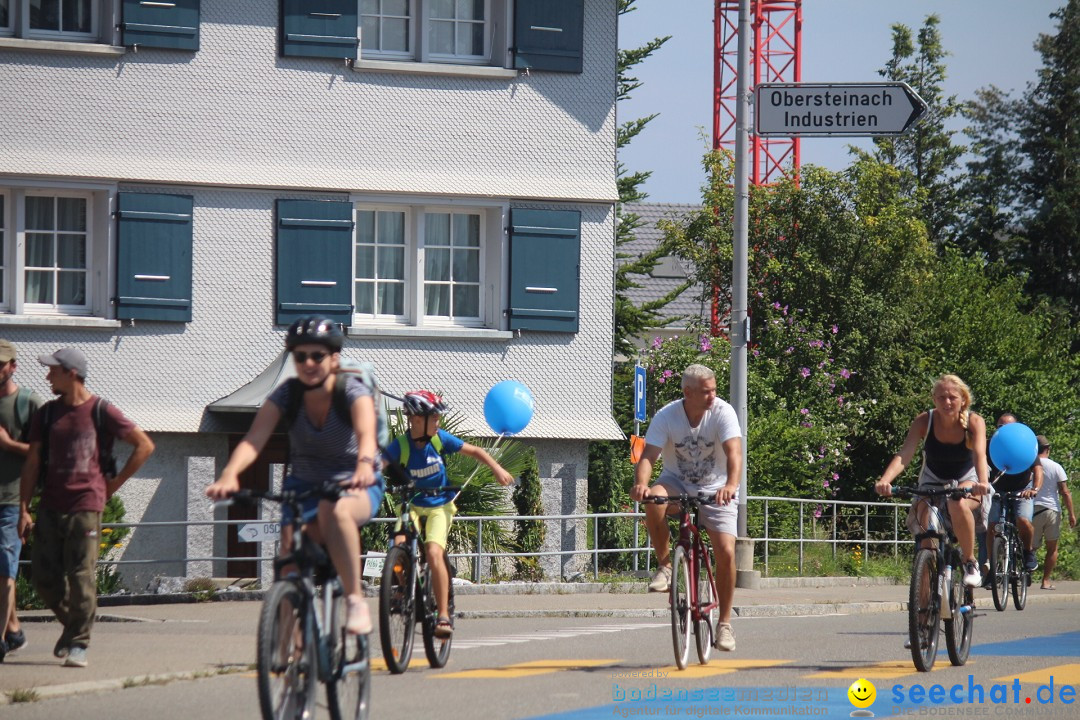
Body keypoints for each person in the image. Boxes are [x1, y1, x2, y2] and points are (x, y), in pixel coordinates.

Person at [206, 317, 382, 636]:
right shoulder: (288, 394)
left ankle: (355, 600)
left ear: (334, 358)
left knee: (337, 510)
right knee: (289, 566)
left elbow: (366, 434)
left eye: (317, 355)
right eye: (300, 357)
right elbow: (253, 439)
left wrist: (365, 465)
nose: (308, 363)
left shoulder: (352, 392)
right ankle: (287, 649)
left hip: (353, 482)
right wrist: (230, 474)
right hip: (303, 487)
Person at [17, 348, 155, 668]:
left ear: (72, 373)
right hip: (51, 503)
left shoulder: (101, 410)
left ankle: (79, 643)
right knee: (43, 578)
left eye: (53, 370)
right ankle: (72, 627)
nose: (47, 375)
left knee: (81, 576)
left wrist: (113, 485)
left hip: (86, 505)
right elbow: (33, 462)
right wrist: (24, 508)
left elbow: (145, 445)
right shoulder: (47, 414)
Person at [629, 364, 743, 652]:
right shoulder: (667, 416)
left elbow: (734, 453)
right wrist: (641, 484)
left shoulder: (723, 412)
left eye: (714, 390)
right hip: (676, 482)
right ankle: (666, 566)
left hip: (718, 489)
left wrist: (730, 485)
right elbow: (649, 455)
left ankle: (725, 624)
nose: (712, 396)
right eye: (706, 392)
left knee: (727, 552)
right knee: (654, 499)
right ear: (687, 392)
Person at [383, 390, 514, 637]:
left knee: (434, 551)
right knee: (398, 545)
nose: (438, 422)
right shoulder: (400, 445)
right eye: (433, 418)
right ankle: (401, 589)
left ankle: (442, 615)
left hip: (439, 506)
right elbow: (375, 465)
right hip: (410, 505)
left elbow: (476, 451)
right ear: (416, 420)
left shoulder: (439, 439)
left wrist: (497, 469)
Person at [875, 374, 991, 588]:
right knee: (926, 535)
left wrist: (982, 482)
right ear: (934, 399)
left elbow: (979, 455)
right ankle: (923, 606)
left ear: (963, 399)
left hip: (968, 478)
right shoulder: (924, 421)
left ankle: (969, 561)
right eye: (941, 397)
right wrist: (885, 480)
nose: (947, 402)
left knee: (957, 500)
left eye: (952, 397)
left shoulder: (974, 421)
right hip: (933, 479)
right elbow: (905, 454)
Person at [0, 340, 44, 663]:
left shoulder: (28, 403)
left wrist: (8, 444)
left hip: (13, 500)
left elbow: (46, 454)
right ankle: (13, 631)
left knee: (5, 572)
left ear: (13, 366)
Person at [986, 413, 1042, 573]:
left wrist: (1034, 489)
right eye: (1000, 427)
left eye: (1008, 427)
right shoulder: (990, 446)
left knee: (1023, 520)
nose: (1004, 430)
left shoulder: (1023, 444)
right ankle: (991, 566)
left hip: (1022, 489)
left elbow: (1038, 469)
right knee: (992, 525)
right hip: (997, 489)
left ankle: (1028, 551)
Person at [1030, 435, 1076, 590]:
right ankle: (1045, 581)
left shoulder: (1028, 465)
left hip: (1033, 508)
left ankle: (1025, 576)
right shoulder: (1056, 467)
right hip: (1052, 510)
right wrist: (1071, 514)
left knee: (1029, 547)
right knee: (1052, 548)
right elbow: (1065, 492)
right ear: (1048, 449)